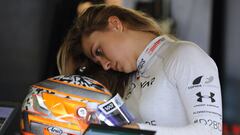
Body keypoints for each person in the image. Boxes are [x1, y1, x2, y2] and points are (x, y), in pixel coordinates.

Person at [57, 4, 222, 135]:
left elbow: (211, 132)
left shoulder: (184, 55)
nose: (104, 65)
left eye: (99, 51)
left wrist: (137, 131)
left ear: (115, 24)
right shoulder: (124, 80)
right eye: (97, 61)